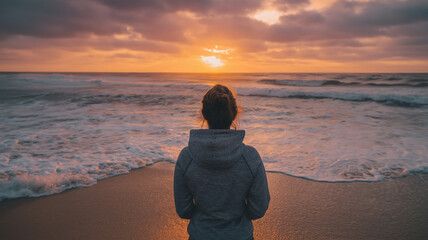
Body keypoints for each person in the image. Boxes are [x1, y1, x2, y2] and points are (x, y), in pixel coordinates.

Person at [174, 84, 270, 240]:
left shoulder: (187, 157)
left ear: (204, 114)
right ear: (234, 113)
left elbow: (183, 210)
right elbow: (258, 209)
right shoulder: (250, 157)